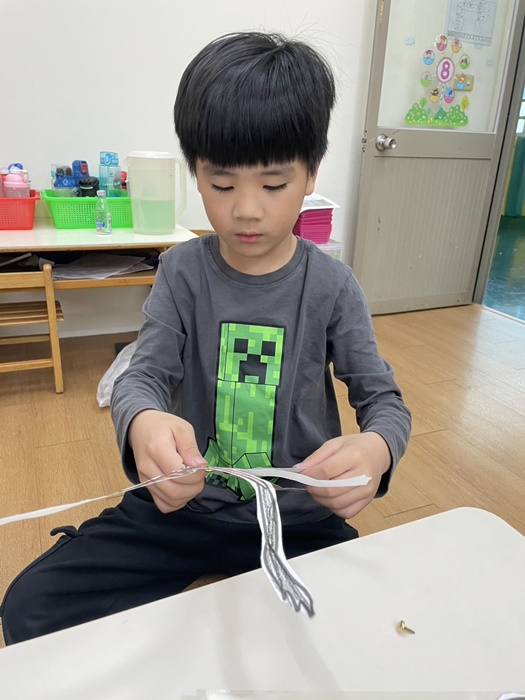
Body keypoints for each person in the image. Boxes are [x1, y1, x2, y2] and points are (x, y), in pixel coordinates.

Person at [0, 31, 411, 644]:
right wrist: (142, 424)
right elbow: (143, 375)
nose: (247, 209)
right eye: (222, 184)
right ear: (195, 172)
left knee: (368, 628)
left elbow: (384, 401)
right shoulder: (181, 270)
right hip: (183, 508)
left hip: (295, 520)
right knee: (31, 608)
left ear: (311, 173)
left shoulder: (332, 287)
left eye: (273, 184)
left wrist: (377, 450)